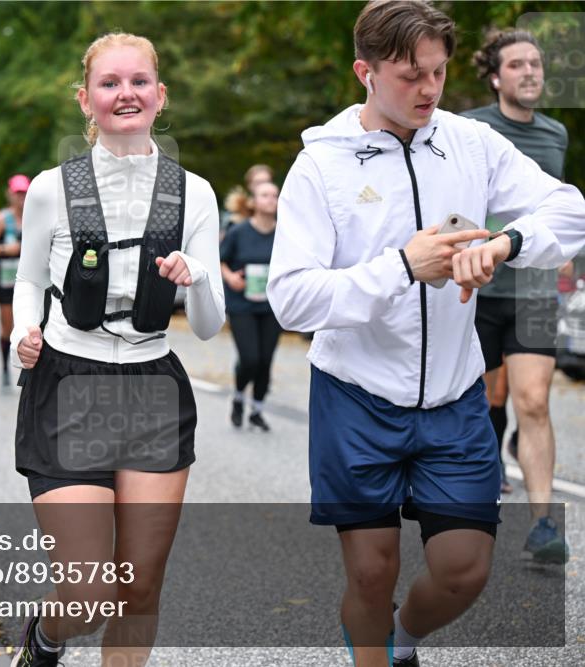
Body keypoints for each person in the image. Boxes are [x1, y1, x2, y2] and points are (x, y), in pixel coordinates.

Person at [266, 2, 585, 666]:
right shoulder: (321, 166)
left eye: (438, 73)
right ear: (365, 71)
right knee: (371, 573)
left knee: (463, 569)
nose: (430, 91)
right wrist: (402, 267)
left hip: (454, 395)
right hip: (355, 395)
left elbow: (569, 207)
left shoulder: (469, 143)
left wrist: (505, 243)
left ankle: (401, 638)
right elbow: (292, 299)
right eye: (411, 75)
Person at [8, 32, 225, 667]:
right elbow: (27, 277)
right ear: (86, 99)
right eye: (110, 83)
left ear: (161, 95)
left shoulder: (195, 193)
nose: (125, 93)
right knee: (86, 593)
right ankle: (47, 639)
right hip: (68, 379)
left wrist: (199, 277)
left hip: (154, 383)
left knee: (139, 589)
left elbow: (209, 327)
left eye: (138, 82)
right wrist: (25, 328)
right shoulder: (53, 187)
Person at [462, 28, 571, 559]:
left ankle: (545, 524)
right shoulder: (472, 131)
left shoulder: (556, 135)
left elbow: (559, 213)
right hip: (478, 292)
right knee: (479, 401)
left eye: (536, 63)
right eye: (518, 64)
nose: (530, 71)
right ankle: (474, 499)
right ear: (495, 76)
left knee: (532, 399)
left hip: (533, 291)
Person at [220, 181, 282, 431]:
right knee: (250, 358)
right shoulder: (239, 231)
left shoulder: (285, 234)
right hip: (241, 303)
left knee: (265, 360)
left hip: (271, 305)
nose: (271, 200)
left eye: (275, 195)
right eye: (265, 195)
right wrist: (230, 277)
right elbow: (220, 260)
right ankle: (238, 397)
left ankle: (256, 409)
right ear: (254, 202)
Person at [0, 174, 29, 388]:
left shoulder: (35, 216)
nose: (21, 197)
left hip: (30, 279)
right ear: (10, 194)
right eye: (18, 193)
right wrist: (4, 249)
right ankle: (4, 369)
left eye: (24, 193)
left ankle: (29, 370)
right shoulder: (2, 219)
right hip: (5, 279)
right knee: (8, 326)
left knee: (32, 325)